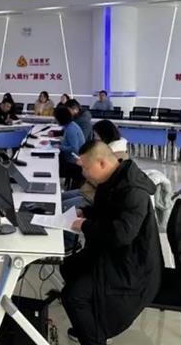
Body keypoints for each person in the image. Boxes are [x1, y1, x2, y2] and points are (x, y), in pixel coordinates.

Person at [62, 140, 161, 344]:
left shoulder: (133, 190)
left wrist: (85, 225)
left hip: (131, 266)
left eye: (86, 168)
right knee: (68, 267)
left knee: (73, 296)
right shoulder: (114, 180)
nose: (84, 174)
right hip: (115, 254)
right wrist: (86, 212)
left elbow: (122, 234)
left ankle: (95, 338)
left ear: (102, 163)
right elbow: (110, 213)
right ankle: (90, 324)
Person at [62, 120, 128, 212]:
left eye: (96, 136)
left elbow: (100, 182)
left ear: (104, 136)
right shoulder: (107, 150)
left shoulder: (116, 156)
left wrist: (85, 166)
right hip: (87, 191)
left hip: (94, 198)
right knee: (58, 198)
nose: (94, 139)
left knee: (59, 206)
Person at [55, 106, 86, 189]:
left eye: (56, 118)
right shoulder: (70, 125)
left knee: (53, 166)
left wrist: (59, 147)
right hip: (74, 159)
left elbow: (74, 149)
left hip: (75, 162)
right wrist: (61, 140)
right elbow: (69, 142)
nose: (55, 120)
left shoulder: (71, 129)